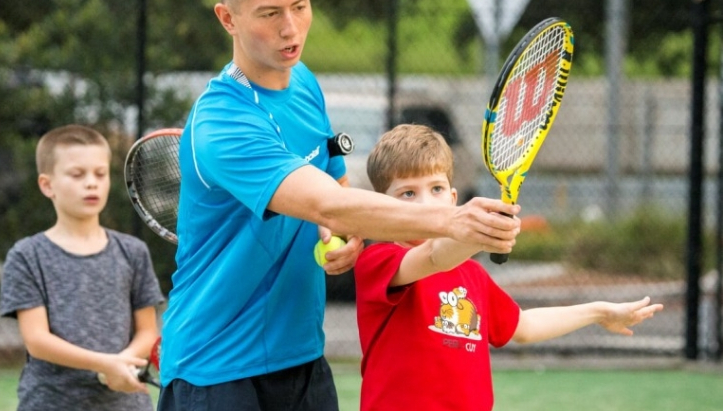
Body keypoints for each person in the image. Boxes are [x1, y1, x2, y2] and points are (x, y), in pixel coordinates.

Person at [157, 1, 522, 410]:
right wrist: (452, 219)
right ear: (228, 19)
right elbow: (327, 204)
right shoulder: (223, 122)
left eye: (299, 6)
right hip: (215, 368)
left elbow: (334, 180)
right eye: (269, 13)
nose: (290, 27)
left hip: (302, 356)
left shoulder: (303, 83)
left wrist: (349, 233)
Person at [353, 123, 665, 411]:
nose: (426, 204)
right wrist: (481, 232)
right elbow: (435, 256)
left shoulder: (472, 275)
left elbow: (524, 327)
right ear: (384, 208)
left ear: (452, 198)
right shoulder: (379, 261)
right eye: (408, 193)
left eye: (435, 189)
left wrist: (597, 312)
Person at [0, 124, 165, 410]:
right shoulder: (27, 256)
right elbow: (37, 340)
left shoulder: (133, 251)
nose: (92, 183)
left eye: (100, 174)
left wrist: (123, 364)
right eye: (78, 174)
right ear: (46, 184)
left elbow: (147, 332)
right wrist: (106, 365)